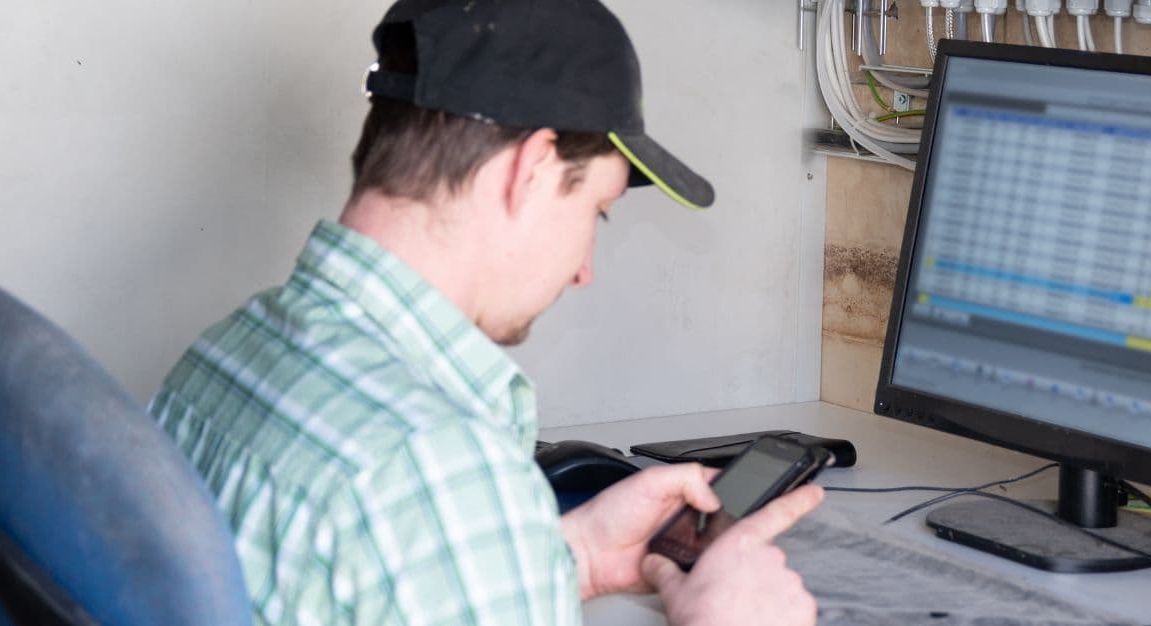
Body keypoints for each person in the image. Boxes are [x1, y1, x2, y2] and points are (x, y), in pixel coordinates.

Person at [147, 0, 822, 623]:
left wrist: (569, 557)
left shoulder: (225, 353)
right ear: (529, 171)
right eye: (596, 212)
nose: (584, 270)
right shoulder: (435, 464)